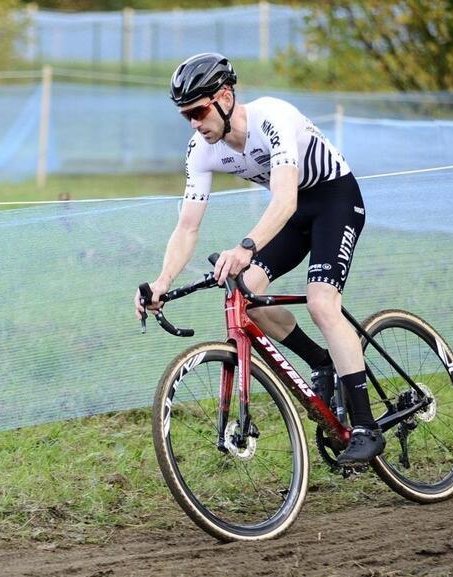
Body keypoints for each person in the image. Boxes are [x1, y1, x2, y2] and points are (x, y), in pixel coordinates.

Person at [133, 52, 384, 466]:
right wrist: (161, 281)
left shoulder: (272, 119)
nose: (195, 123)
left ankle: (365, 426)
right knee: (245, 293)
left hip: (333, 199)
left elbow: (285, 198)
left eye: (198, 111)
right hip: (291, 213)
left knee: (322, 302)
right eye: (186, 116)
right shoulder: (202, 149)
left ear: (225, 96)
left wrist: (245, 247)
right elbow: (187, 227)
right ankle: (321, 361)